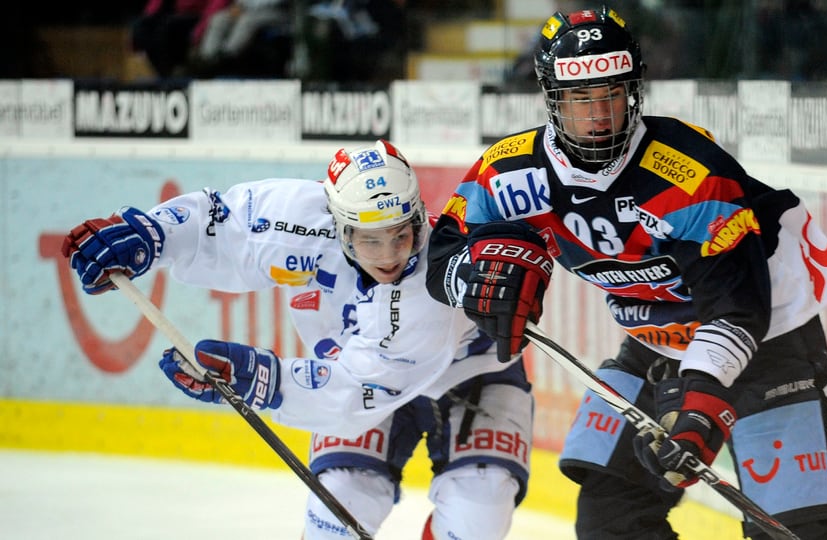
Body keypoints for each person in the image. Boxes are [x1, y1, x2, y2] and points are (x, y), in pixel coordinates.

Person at [425, 6, 827, 540]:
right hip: (653, 339)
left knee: (798, 531)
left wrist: (701, 400)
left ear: (634, 91)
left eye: (611, 93)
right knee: (611, 518)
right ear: (551, 99)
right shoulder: (508, 173)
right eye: (580, 98)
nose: (599, 113)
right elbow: (441, 249)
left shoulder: (688, 171)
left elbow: (739, 306)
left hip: (772, 332)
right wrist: (472, 278)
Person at [59, 140, 534, 539]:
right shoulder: (296, 217)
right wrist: (150, 234)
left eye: (400, 236)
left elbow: (360, 391)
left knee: (480, 510)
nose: (389, 256)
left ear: (417, 221)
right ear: (339, 226)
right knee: (338, 511)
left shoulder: (428, 286)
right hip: (356, 370)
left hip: (473, 375)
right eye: (370, 240)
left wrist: (260, 379)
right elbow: (216, 225)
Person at [131, 0, 229, 78]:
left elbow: (215, 6)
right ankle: (163, 75)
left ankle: (171, 76)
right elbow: (154, 6)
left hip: (199, 16)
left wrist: (198, 32)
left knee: (168, 28)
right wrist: (147, 18)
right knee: (141, 27)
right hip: (177, 14)